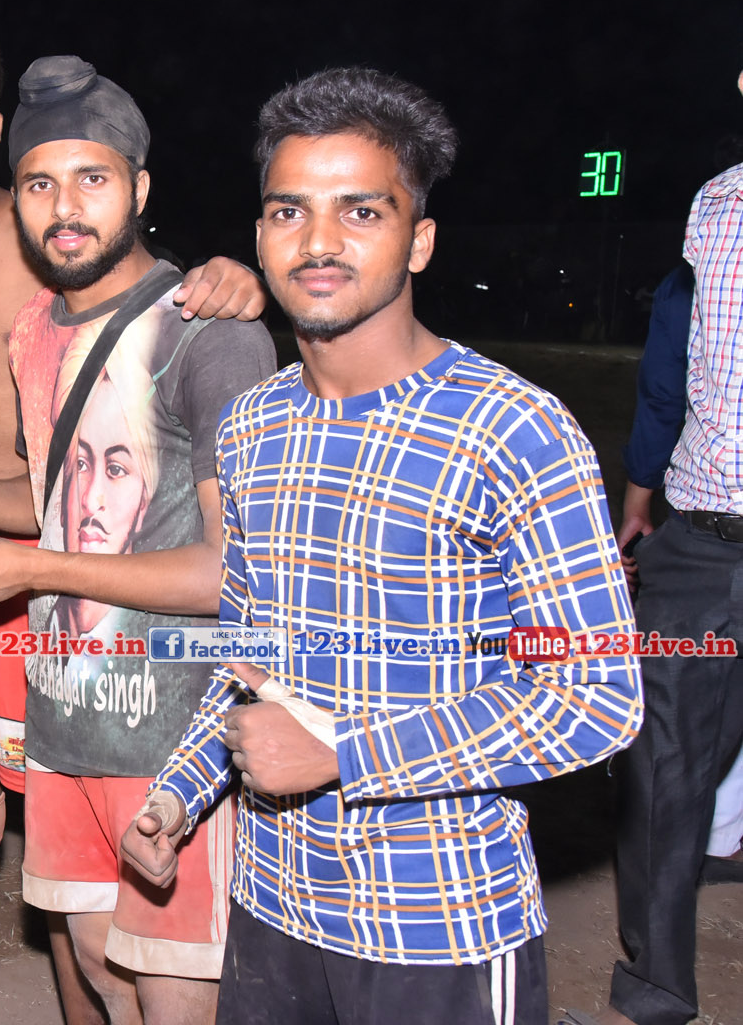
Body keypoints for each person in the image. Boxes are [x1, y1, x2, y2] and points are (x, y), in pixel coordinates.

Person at [125, 67, 643, 1025]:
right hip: (273, 906)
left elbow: (595, 697)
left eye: (361, 211)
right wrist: (177, 797)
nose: (318, 241)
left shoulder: (512, 430)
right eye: (289, 211)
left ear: (421, 240)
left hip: (438, 924)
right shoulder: (252, 428)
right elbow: (249, 661)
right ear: (260, 236)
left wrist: (345, 753)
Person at [0, 17, 265, 1020]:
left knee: (176, 993)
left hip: (174, 735)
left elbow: (232, 574)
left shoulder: (209, 335)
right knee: (97, 970)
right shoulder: (33, 330)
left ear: (140, 187)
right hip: (63, 717)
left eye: (92, 179)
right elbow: (49, 499)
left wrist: (30, 570)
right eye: (40, 184)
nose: (64, 207)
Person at [585, 68, 743, 1025]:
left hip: (703, 533)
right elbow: (674, 375)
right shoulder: (716, 208)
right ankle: (657, 985)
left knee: (681, 765)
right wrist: (642, 502)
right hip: (704, 543)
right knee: (665, 761)